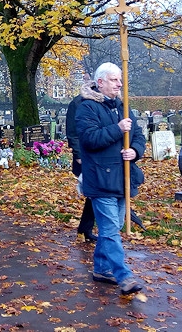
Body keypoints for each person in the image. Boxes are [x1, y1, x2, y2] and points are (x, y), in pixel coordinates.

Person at [75, 62, 145, 296]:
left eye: (120, 80)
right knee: (110, 230)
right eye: (115, 80)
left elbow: (139, 136)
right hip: (100, 179)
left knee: (113, 227)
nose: (120, 84)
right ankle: (123, 275)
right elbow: (89, 139)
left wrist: (134, 151)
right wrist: (118, 129)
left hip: (123, 178)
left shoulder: (123, 107)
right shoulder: (86, 108)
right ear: (101, 82)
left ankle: (101, 269)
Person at [66, 85, 97, 243]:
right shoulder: (77, 103)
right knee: (93, 193)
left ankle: (86, 228)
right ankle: (86, 228)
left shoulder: (107, 102)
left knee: (93, 194)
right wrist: (78, 155)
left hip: (100, 155)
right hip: (85, 155)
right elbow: (72, 131)